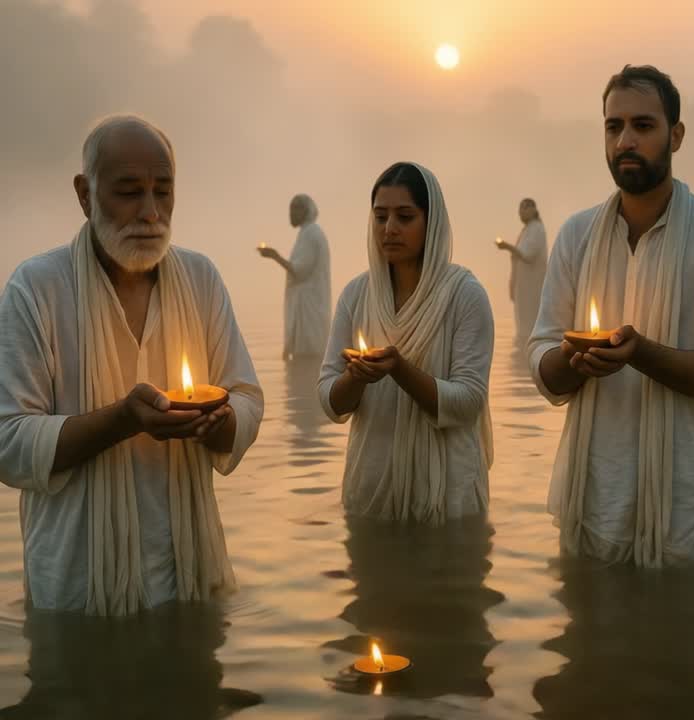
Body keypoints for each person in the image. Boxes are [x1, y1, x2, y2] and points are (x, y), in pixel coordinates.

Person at [0, 115, 263, 615]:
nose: (150, 213)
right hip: (77, 590)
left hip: (186, 575)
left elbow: (246, 397)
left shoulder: (201, 278)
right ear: (85, 193)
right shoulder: (37, 289)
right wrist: (122, 420)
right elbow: (8, 441)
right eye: (129, 192)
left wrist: (218, 422)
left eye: (163, 192)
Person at [527, 65, 694, 567]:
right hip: (593, 497)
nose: (626, 140)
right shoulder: (577, 235)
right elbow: (542, 358)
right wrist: (572, 358)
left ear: (676, 135)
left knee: (680, 638)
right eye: (614, 127)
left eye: (643, 126)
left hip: (681, 501)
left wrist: (642, 353)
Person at [318, 162, 495, 525]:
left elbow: (467, 402)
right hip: (371, 491)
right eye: (380, 217)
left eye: (405, 216)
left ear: (432, 223)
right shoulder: (357, 295)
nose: (390, 229)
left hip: (448, 496)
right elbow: (329, 401)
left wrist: (399, 369)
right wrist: (356, 377)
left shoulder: (465, 295)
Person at [257, 193, 331, 359]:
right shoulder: (307, 232)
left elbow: (300, 271)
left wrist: (274, 255)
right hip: (307, 304)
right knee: (304, 359)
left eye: (294, 209)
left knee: (307, 357)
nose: (290, 214)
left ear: (305, 211)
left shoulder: (311, 233)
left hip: (308, 307)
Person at [496, 198, 548, 346]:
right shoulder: (527, 229)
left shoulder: (537, 228)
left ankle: (527, 359)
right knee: (522, 324)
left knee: (529, 323)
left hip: (533, 286)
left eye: (524, 209)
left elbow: (528, 255)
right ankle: (521, 359)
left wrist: (507, 246)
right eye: (520, 210)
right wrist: (512, 284)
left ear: (533, 209)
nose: (520, 213)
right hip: (523, 286)